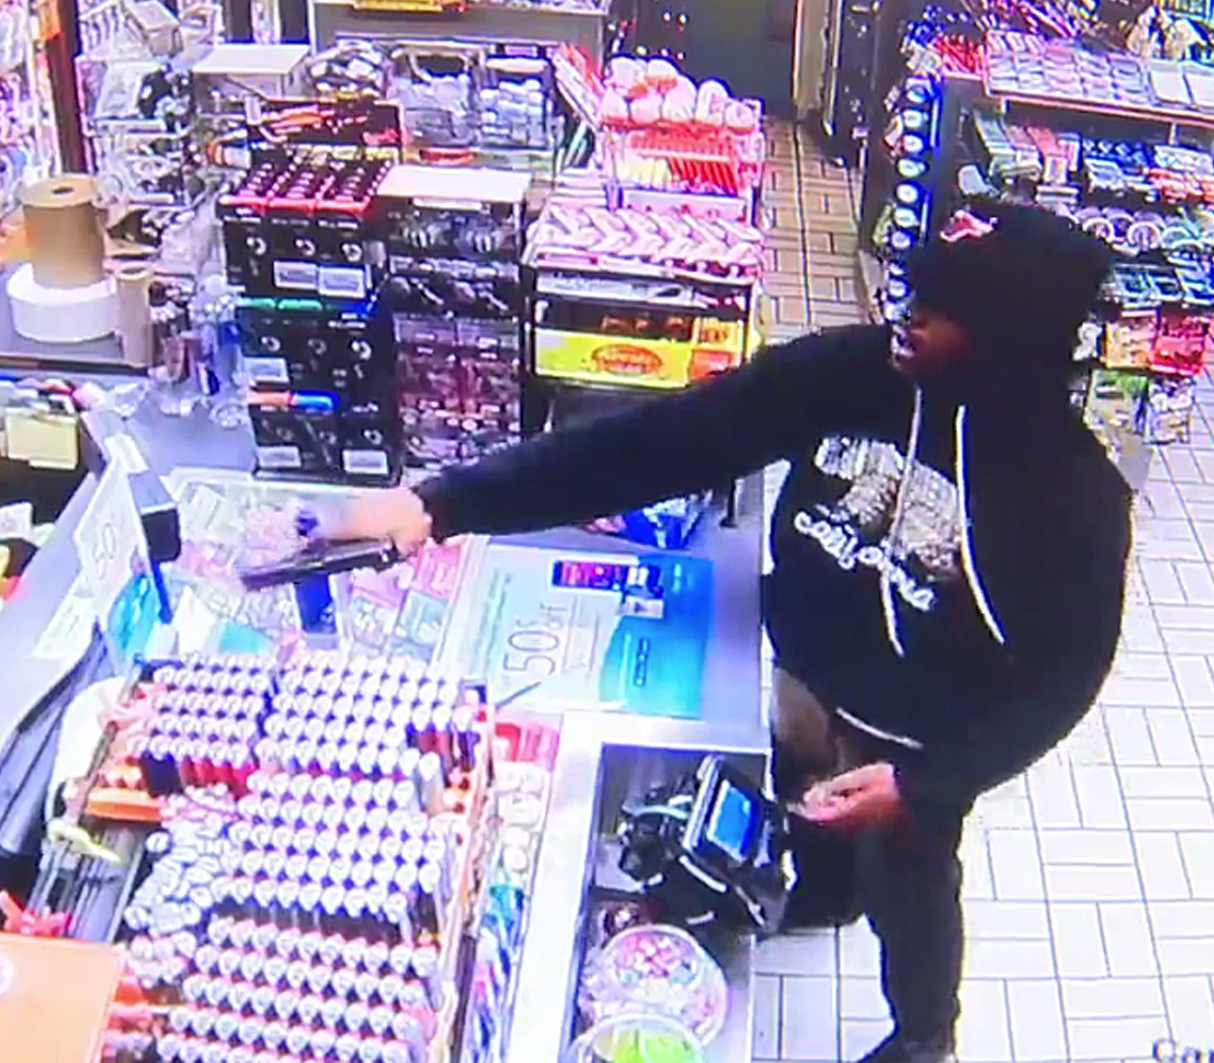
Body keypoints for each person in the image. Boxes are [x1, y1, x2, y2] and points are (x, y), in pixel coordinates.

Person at [327, 200, 1132, 1063]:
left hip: (914, 738)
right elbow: (663, 443)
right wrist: (442, 503)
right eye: (913, 294)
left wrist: (930, 785)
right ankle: (822, 893)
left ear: (1009, 349)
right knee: (805, 798)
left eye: (940, 316)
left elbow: (1061, 685)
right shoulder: (856, 374)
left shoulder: (1073, 498)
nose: (906, 317)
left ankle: (925, 1031)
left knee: (911, 881)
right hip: (807, 669)